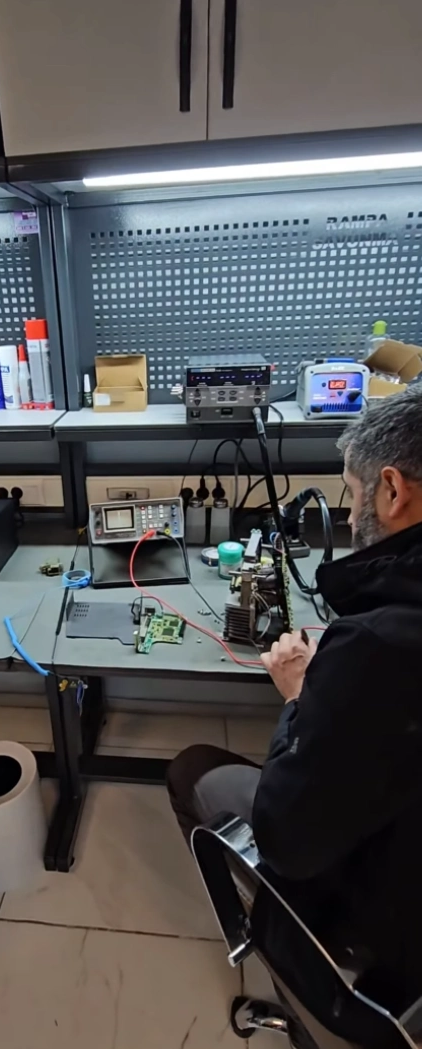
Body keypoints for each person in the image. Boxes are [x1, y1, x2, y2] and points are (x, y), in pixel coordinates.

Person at [167, 384, 422, 1046]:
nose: (350, 512)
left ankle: (289, 954)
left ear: (392, 492)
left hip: (387, 946)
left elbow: (288, 838)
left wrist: (300, 697)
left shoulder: (381, 647)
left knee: (192, 769)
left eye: (352, 493)